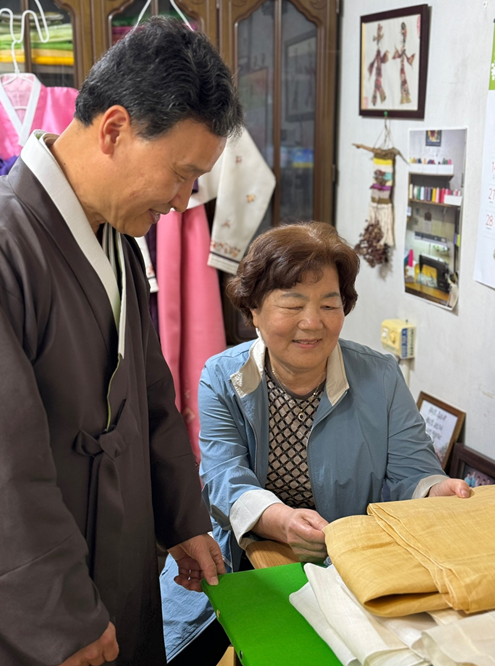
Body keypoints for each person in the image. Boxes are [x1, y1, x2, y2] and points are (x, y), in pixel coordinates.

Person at [0, 17, 243, 666]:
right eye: (181, 173)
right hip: (46, 598)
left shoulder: (119, 244)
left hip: (128, 558)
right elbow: (6, 463)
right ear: (114, 129)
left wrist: (184, 517)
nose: (182, 198)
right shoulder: (8, 249)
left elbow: (152, 398)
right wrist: (57, 615)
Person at [160, 221, 470, 663]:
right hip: (234, 558)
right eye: (292, 304)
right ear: (253, 311)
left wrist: (439, 491)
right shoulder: (222, 377)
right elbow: (223, 477)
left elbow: (413, 473)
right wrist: (281, 520)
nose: (313, 323)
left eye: (330, 304)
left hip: (345, 572)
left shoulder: (380, 376)